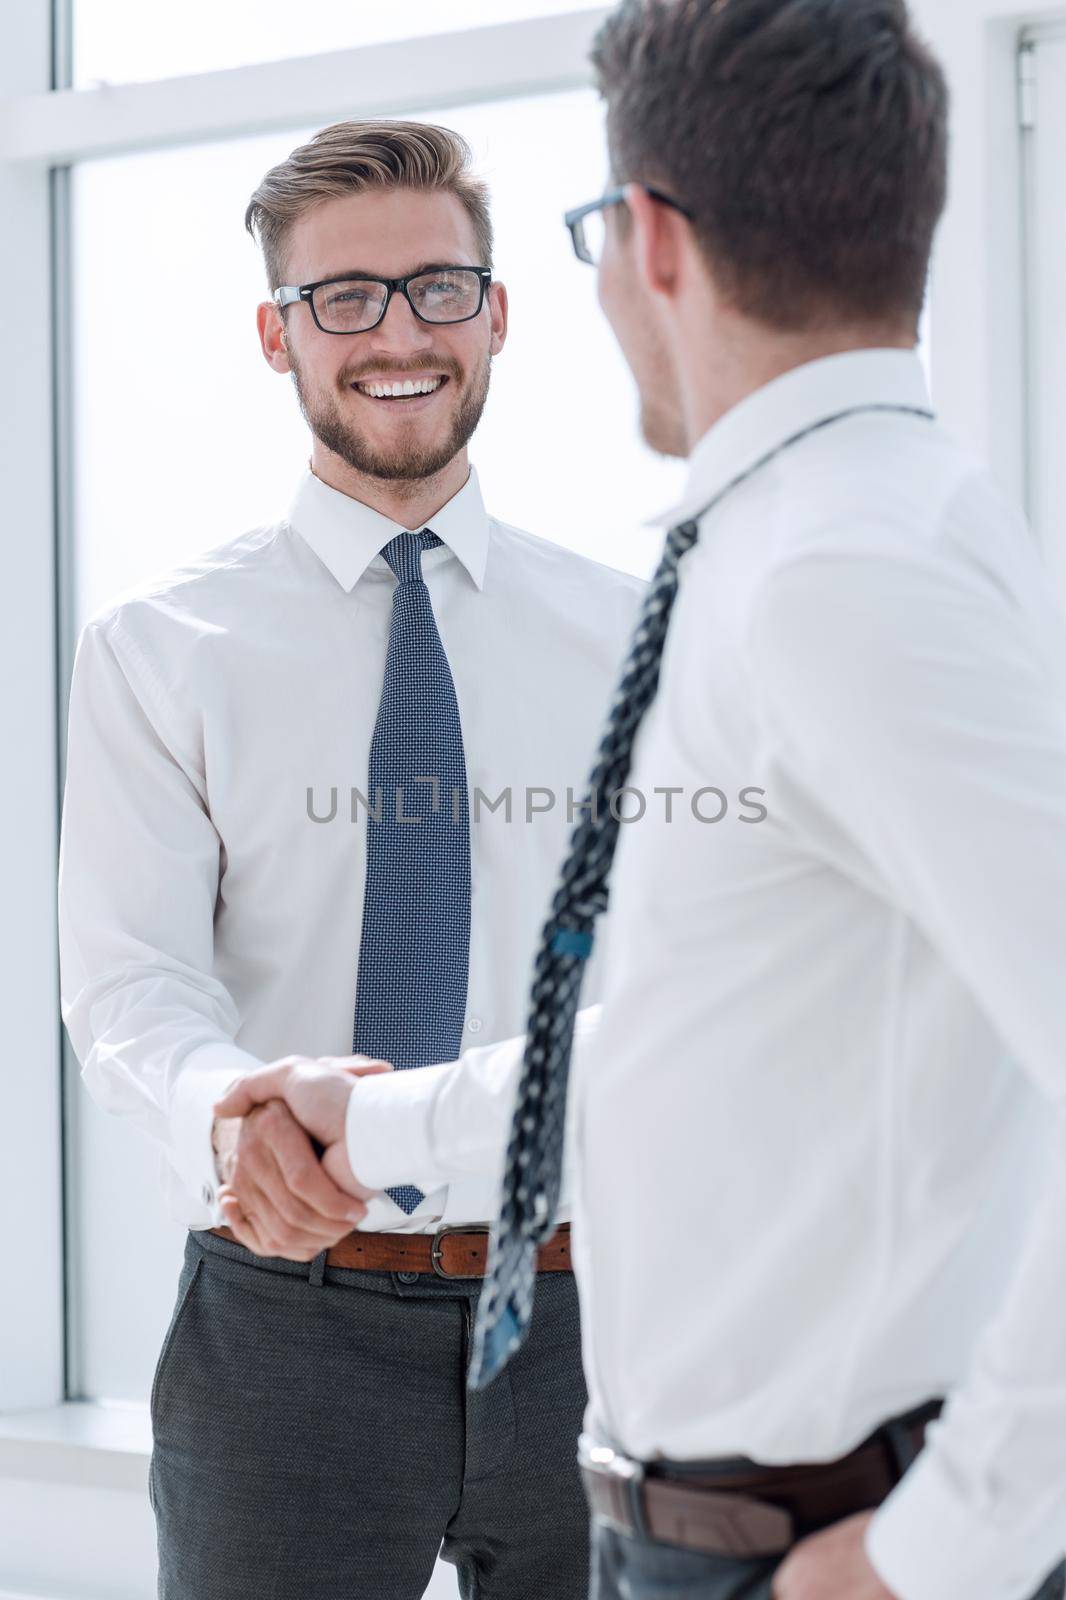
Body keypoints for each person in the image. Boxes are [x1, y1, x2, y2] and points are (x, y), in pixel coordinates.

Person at [215, 4, 1066, 1599]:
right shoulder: (801, 541)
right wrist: (379, 1120)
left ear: (649, 243)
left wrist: (937, 1549)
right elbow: (715, 1025)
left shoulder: (838, 573)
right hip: (726, 1524)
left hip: (810, 1546)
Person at [57, 118, 644, 1599]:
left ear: (498, 313)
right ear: (277, 334)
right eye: (345, 298)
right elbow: (128, 986)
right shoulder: (157, 649)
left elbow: (686, 986)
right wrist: (230, 1124)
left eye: (438, 288)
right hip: (285, 1332)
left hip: (605, 1317)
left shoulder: (638, 638)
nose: (399, 334)